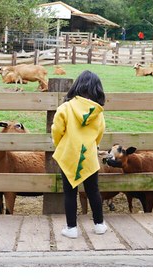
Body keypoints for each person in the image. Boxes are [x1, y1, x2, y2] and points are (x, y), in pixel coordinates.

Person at [51, 70, 107, 239]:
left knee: (70, 192)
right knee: (93, 191)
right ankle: (99, 225)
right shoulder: (98, 111)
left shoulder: (65, 108)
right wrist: (92, 146)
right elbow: (100, 133)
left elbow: (56, 130)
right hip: (88, 155)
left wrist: (60, 144)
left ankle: (71, 228)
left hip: (68, 154)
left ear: (77, 86)